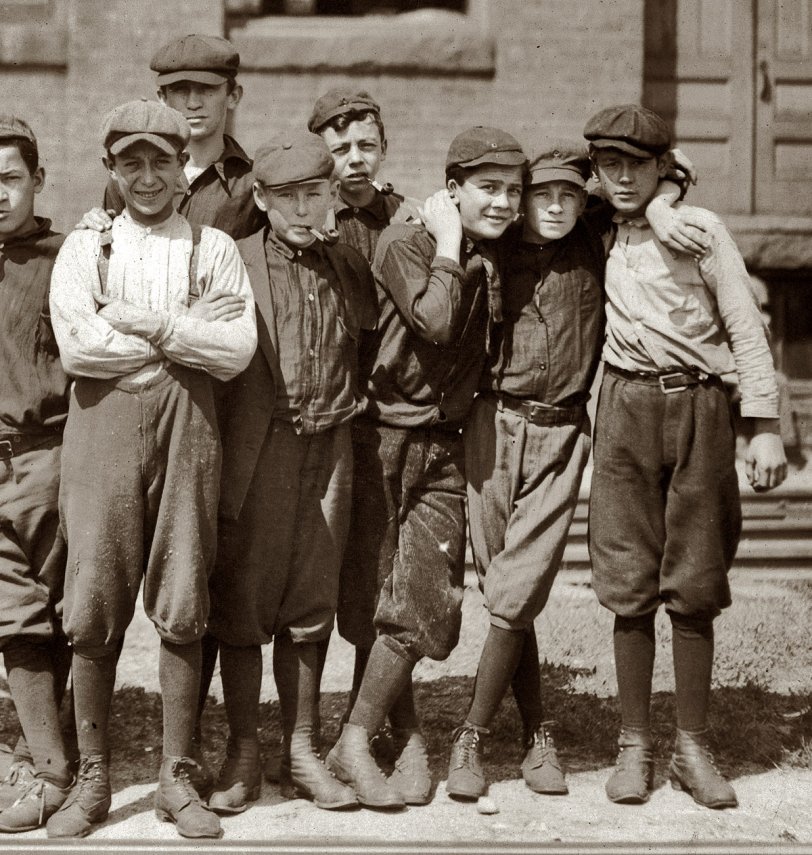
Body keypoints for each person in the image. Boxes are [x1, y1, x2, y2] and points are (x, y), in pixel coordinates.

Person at [444, 139, 708, 801]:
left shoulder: (594, 238)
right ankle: (537, 731)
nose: (557, 206)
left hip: (561, 431)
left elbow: (657, 170)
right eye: (543, 195)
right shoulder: (496, 245)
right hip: (490, 426)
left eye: (569, 194)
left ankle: (470, 735)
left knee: (517, 587)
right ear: (522, 199)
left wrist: (672, 189)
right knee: (508, 589)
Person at [46, 99, 256, 839]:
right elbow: (79, 350)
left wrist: (149, 324)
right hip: (102, 427)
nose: (145, 176)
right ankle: (94, 773)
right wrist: (181, 338)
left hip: (187, 429)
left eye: (159, 161)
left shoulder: (213, 247)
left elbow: (234, 351)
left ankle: (176, 773)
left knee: (183, 591)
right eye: (130, 162)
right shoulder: (87, 248)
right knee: (94, 597)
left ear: (182, 169)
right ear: (111, 169)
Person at [583, 104, 787, 810]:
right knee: (627, 574)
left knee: (695, 577)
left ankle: (692, 745)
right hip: (623, 411)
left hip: (698, 404)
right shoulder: (593, 224)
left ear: (661, 166)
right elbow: (548, 179)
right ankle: (635, 742)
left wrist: (764, 425)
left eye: (637, 165)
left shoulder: (701, 231)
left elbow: (745, 324)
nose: (622, 178)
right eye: (609, 165)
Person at [324, 126, 526, 809]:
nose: (502, 204)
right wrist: (445, 242)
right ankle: (398, 734)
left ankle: (356, 736)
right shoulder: (407, 241)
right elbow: (435, 321)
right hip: (381, 438)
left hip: (444, 442)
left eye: (512, 192)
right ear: (452, 191)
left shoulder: (492, 250)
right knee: (380, 594)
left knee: (427, 602)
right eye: (487, 190)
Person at [204, 130, 377, 815]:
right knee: (244, 601)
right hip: (260, 451)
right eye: (288, 197)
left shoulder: (348, 262)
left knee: (311, 604)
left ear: (333, 194)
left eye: (316, 192)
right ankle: (244, 747)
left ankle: (300, 747)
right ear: (261, 200)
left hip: (330, 449)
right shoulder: (234, 260)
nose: (303, 209)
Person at [0, 116, 74, 832]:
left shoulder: (65, 257)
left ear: (36, 180)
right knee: (12, 610)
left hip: (49, 456)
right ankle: (49, 769)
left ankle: (49, 746)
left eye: (9, 177)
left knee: (57, 609)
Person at [81, 34, 264, 242]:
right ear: (162, 99)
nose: (193, 103)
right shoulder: (132, 176)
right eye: (180, 90)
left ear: (233, 96)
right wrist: (96, 225)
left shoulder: (252, 183)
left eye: (207, 89)